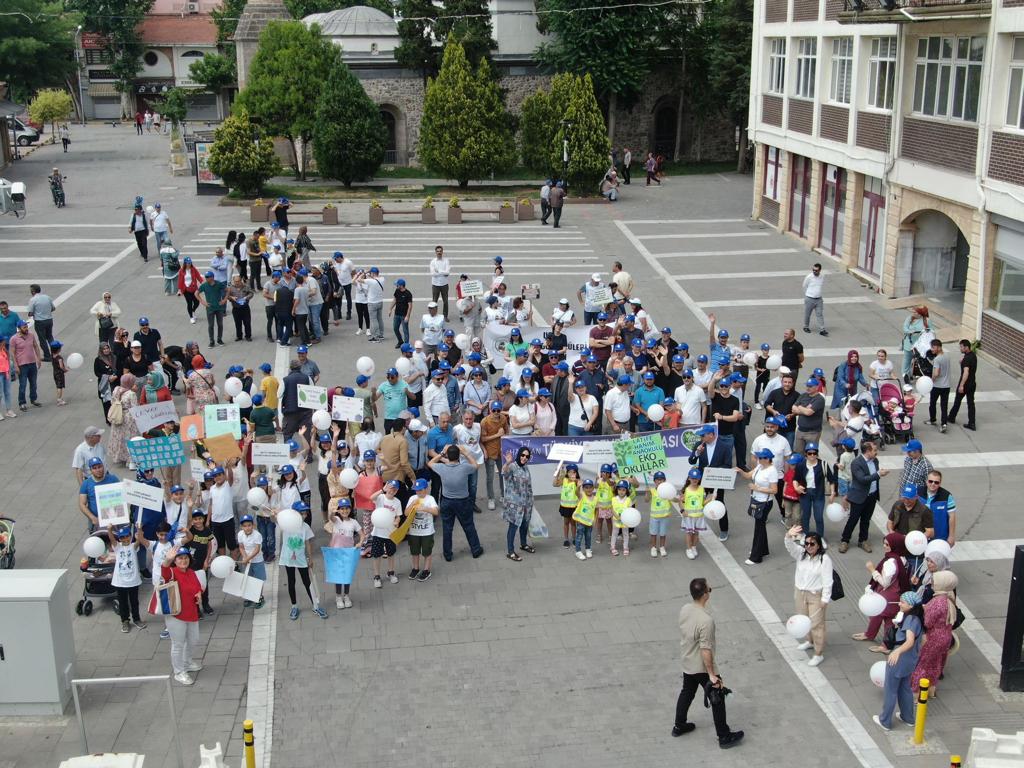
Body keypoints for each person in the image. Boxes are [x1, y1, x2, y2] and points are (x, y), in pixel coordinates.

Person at [674, 577, 743, 748]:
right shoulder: (706, 621)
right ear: (705, 595)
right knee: (717, 698)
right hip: (701, 666)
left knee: (687, 692)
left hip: (687, 660)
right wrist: (712, 675)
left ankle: (679, 725)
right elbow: (706, 650)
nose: (710, 591)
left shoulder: (685, 609)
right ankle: (724, 736)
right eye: (709, 589)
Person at [873, 591, 924, 732]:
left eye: (903, 602)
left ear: (911, 605)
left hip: (899, 660)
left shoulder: (910, 620)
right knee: (905, 688)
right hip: (910, 660)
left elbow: (909, 641)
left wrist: (896, 651)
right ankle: (908, 717)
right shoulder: (917, 619)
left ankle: (885, 720)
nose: (899, 603)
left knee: (891, 690)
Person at [785, 526, 833, 667]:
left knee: (817, 624)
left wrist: (825, 599)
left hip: (815, 595)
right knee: (803, 618)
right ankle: (809, 641)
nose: (809, 546)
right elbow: (789, 547)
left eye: (812, 544)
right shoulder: (801, 554)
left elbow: (828, 581)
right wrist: (788, 535)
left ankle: (818, 653)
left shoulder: (824, 560)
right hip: (800, 592)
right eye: (806, 543)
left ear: (818, 545)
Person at [853, 532, 910, 648]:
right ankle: (885, 644)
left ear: (894, 545)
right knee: (888, 619)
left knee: (878, 613)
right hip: (897, 595)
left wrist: (872, 570)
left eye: (887, 545)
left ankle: (874, 637)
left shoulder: (891, 562)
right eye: (884, 543)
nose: (884, 546)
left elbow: (885, 582)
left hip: (888, 595)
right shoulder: (902, 558)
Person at [428, 444, 484, 562]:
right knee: (468, 526)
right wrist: (466, 453)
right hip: (463, 501)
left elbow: (430, 463)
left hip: (446, 501)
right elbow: (475, 465)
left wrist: (442, 453)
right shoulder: (464, 468)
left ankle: (447, 554)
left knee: (447, 528)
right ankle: (475, 549)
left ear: (448, 455)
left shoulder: (442, 468)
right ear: (459, 456)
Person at [159, 546, 205, 685]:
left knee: (193, 640)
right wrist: (168, 559)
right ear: (175, 560)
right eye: (180, 558)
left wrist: (199, 594)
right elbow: (164, 571)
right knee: (177, 644)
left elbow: (198, 587)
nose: (183, 561)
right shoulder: (171, 573)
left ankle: (187, 662)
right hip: (176, 614)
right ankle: (179, 672)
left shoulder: (191, 572)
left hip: (191, 613)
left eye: (185, 558)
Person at [279, 501, 327, 619]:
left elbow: (308, 543)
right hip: (288, 559)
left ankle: (315, 605)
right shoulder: (286, 525)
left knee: (307, 582)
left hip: (301, 560)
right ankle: (294, 606)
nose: (304, 515)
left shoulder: (305, 527)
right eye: (301, 513)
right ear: (294, 514)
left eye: (305, 513)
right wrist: (275, 514)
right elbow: (273, 519)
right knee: (291, 582)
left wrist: (310, 558)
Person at [911, 570, 957, 695]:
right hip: (945, 637)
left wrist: (925, 610)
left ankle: (915, 692)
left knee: (923, 664)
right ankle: (931, 689)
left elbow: (928, 622)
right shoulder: (948, 597)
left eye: (935, 580)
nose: (932, 582)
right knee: (935, 663)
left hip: (934, 637)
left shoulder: (938, 602)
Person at [689, 425, 733, 541]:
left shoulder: (724, 446)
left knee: (719, 503)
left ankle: (724, 530)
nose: (701, 437)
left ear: (711, 435)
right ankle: (696, 527)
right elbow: (691, 460)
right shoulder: (699, 445)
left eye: (703, 435)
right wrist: (697, 453)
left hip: (716, 480)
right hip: (702, 480)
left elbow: (728, 465)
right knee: (697, 502)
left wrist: (713, 471)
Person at [736, 448, 778, 566]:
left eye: (760, 458)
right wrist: (740, 471)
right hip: (757, 500)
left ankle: (756, 556)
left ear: (767, 459)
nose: (758, 459)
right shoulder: (760, 467)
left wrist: (757, 488)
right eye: (758, 457)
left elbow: (774, 490)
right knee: (761, 527)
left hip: (764, 503)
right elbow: (749, 475)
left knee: (758, 529)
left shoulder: (772, 471)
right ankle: (762, 550)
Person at [104, 525, 146, 633]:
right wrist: (109, 529)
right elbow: (112, 539)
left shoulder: (133, 546)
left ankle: (136, 619)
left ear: (131, 536)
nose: (125, 539)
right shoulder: (117, 547)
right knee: (123, 603)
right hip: (120, 582)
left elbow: (139, 539)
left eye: (127, 536)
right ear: (120, 539)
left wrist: (139, 529)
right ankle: (125, 621)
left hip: (133, 581)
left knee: (134, 602)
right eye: (122, 537)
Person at [501, 447, 535, 561]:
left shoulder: (526, 468)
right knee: (513, 527)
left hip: (526, 503)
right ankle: (510, 551)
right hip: (514, 504)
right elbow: (504, 474)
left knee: (525, 525)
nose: (524, 458)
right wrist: (507, 462)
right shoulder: (512, 466)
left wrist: (531, 502)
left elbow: (528, 486)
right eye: (522, 455)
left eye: (527, 456)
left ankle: (523, 544)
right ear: (519, 454)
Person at [404, 479, 437, 582]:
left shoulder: (430, 499)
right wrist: (413, 504)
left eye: (420, 490)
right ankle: (415, 568)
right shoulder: (412, 498)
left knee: (427, 551)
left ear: (426, 489)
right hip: (414, 531)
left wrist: (425, 508)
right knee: (414, 551)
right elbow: (406, 513)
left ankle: (427, 570)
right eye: (416, 490)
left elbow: (436, 511)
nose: (418, 492)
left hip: (427, 531)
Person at [9, 321, 43, 411]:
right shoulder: (14, 339)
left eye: (26, 326)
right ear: (19, 328)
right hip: (22, 365)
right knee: (23, 385)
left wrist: (38, 358)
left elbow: (35, 346)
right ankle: (22, 402)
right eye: (24, 327)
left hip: (32, 363)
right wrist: (15, 366)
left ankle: (33, 399)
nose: (26, 328)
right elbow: (12, 353)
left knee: (33, 383)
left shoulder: (31, 335)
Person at [947, 339, 977, 430]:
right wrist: (962, 362)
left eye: (961, 347)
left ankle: (951, 417)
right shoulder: (972, 355)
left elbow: (966, 372)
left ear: (966, 347)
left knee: (957, 401)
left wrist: (961, 385)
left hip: (966, 384)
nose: (960, 348)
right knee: (971, 403)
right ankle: (972, 423)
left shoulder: (967, 358)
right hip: (972, 383)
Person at [926, 338, 951, 432]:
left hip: (937, 386)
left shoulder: (937, 359)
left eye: (933, 347)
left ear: (939, 347)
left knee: (932, 404)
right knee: (944, 406)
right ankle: (944, 424)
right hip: (946, 385)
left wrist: (931, 380)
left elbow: (936, 373)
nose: (932, 349)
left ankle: (932, 419)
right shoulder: (947, 356)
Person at [197, 271, 227, 347]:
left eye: (207, 277)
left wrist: (224, 300)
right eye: (206, 277)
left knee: (220, 324)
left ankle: (219, 339)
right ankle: (212, 341)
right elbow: (196, 293)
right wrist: (203, 302)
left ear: (212, 277)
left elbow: (228, 290)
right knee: (211, 325)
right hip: (210, 308)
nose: (206, 278)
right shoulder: (204, 285)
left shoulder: (218, 284)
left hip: (219, 308)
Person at [27, 285, 56, 361]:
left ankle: (47, 356)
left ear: (33, 291)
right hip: (49, 320)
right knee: (50, 337)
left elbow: (30, 313)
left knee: (42, 339)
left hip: (40, 322)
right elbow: (53, 308)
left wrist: (37, 313)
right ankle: (55, 353)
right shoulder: (47, 297)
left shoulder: (33, 300)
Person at [900, 307, 929, 382]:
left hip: (920, 345)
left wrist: (925, 332)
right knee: (907, 360)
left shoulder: (926, 320)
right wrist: (910, 331)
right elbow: (905, 328)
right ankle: (906, 375)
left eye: (915, 312)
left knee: (920, 360)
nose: (912, 314)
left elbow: (931, 331)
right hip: (909, 343)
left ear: (920, 314)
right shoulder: (909, 318)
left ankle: (918, 374)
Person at [802, 263, 827, 336]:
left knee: (820, 314)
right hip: (809, 298)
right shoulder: (809, 277)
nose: (814, 271)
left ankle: (822, 329)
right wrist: (808, 295)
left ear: (820, 270)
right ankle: (806, 327)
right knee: (807, 314)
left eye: (816, 270)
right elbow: (804, 286)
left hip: (819, 299)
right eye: (813, 270)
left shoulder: (822, 276)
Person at [429, 246, 451, 321]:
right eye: (437, 251)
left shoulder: (446, 261)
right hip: (435, 285)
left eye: (440, 251)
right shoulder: (432, 262)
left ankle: (445, 316)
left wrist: (438, 271)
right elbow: (433, 274)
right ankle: (434, 315)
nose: (439, 252)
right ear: (435, 252)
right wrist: (443, 272)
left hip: (444, 284)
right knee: (434, 301)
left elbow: (447, 273)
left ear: (442, 252)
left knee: (445, 301)